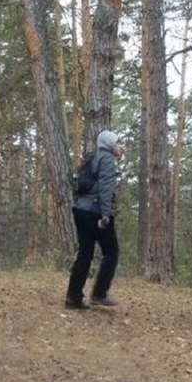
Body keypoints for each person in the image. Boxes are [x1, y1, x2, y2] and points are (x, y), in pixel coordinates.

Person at [65, 130, 122, 309]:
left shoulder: (91, 158)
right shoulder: (106, 160)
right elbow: (105, 188)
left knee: (85, 254)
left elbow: (79, 186)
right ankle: (99, 293)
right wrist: (105, 215)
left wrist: (79, 205)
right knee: (112, 251)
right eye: (117, 142)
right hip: (95, 212)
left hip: (81, 210)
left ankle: (73, 298)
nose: (120, 146)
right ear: (109, 144)